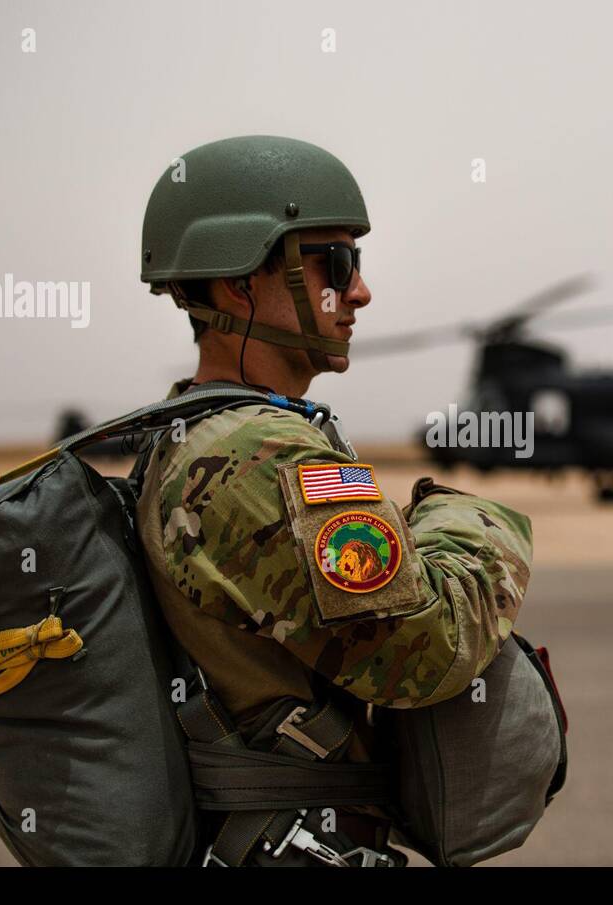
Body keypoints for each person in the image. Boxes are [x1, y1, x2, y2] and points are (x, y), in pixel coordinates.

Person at [134, 135, 535, 866]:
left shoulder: (198, 435)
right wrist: (467, 519)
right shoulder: (258, 457)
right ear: (239, 283)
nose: (359, 292)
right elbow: (428, 653)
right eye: (336, 263)